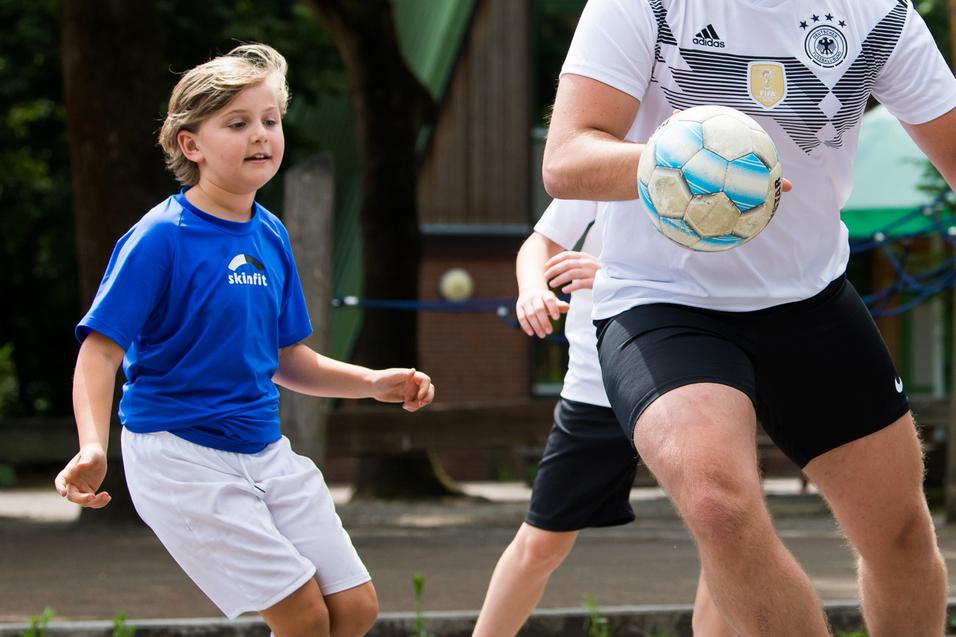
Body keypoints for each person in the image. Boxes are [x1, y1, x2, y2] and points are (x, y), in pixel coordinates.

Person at [542, 2, 956, 636]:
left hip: (810, 298)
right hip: (662, 301)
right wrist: (687, 161)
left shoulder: (878, 13)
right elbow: (566, 159)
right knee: (718, 506)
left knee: (898, 535)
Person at [54, 44, 435, 637]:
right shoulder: (159, 237)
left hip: (263, 452)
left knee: (355, 609)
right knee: (305, 617)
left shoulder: (271, 233)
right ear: (191, 145)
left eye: (270, 121)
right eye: (237, 123)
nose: (260, 135)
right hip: (178, 457)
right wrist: (93, 447)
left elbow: (286, 358)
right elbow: (99, 351)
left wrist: (371, 383)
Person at [473, 198, 733, 637]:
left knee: (726, 529)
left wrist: (613, 278)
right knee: (541, 543)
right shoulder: (599, 159)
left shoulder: (716, 164)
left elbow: (740, 277)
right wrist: (533, 289)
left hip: (693, 375)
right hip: (597, 384)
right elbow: (540, 242)